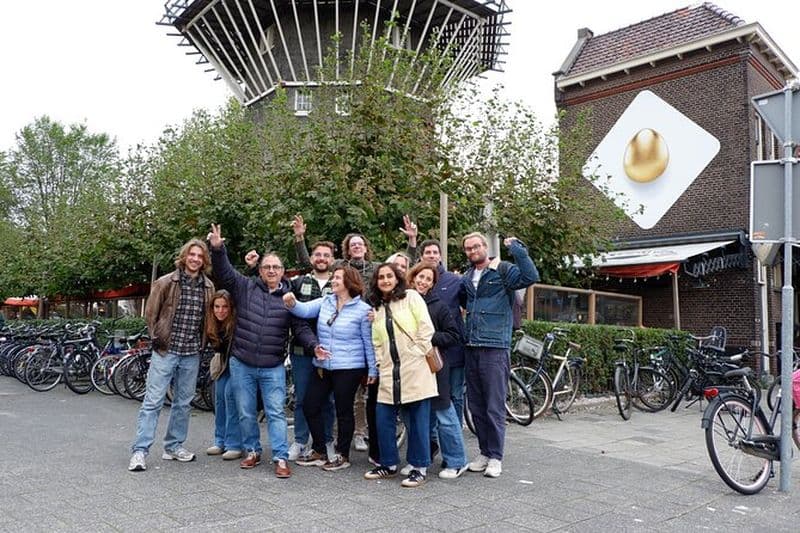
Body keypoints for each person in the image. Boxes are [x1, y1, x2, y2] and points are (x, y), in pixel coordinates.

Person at [292, 214, 417, 455]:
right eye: (353, 244)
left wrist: (412, 243)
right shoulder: (340, 268)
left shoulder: (376, 269)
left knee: (357, 401)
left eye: (360, 244)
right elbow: (310, 262)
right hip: (334, 346)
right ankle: (334, 442)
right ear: (347, 250)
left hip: (367, 329)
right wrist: (299, 238)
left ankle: (354, 441)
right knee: (342, 401)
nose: (357, 247)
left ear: (366, 248)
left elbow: (400, 270)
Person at [208, 224, 318, 479]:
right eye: (267, 267)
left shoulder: (289, 298)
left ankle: (280, 457)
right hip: (242, 363)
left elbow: (300, 327)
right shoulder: (245, 287)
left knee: (275, 412)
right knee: (246, 411)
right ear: (260, 270)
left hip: (273, 366)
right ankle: (252, 451)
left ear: (282, 271)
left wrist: (314, 346)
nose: (271, 270)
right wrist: (217, 248)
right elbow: (224, 272)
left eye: (276, 267)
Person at [128, 239, 215, 472]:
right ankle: (140, 450)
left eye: (200, 256)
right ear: (184, 256)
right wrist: (156, 338)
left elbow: (207, 319)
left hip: (191, 352)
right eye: (192, 254)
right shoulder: (165, 282)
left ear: (204, 260)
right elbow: (151, 314)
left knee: (183, 403)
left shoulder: (208, 287)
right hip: (166, 350)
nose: (195, 259)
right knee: (153, 401)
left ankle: (174, 446)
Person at [246, 243, 337, 462]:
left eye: (326, 255)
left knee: (328, 401)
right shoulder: (297, 282)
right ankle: (300, 440)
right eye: (317, 254)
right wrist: (254, 268)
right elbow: (271, 281)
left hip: (331, 352)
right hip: (300, 350)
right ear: (311, 258)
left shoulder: (338, 283)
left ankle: (326, 441)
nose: (322, 258)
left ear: (332, 260)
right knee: (301, 398)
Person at [283, 265, 377, 471]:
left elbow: (367, 341)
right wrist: (292, 302)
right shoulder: (326, 301)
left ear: (349, 282)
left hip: (349, 367)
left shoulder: (363, 310)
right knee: (310, 405)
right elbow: (303, 309)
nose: (333, 281)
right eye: (333, 277)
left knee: (344, 411)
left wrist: (372, 369)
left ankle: (342, 455)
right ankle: (319, 449)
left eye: (337, 278)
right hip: (323, 365)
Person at [461, 233, 539, 478]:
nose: (472, 251)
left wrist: (517, 248)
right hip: (471, 346)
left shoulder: (503, 270)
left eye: (476, 246)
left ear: (485, 247)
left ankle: (496, 456)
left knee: (494, 406)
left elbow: (530, 276)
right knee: (476, 406)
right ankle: (484, 452)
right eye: (468, 248)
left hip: (494, 347)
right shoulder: (466, 277)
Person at [363, 263, 437, 488]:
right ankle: (388, 464)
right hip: (389, 371)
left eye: (389, 276)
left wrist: (416, 352)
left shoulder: (411, 297)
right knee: (383, 418)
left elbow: (426, 328)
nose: (385, 280)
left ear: (397, 279)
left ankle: (419, 467)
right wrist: (380, 362)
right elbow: (376, 340)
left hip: (415, 369)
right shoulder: (378, 307)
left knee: (417, 420)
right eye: (381, 277)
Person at [405, 262, 468, 479]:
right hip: (410, 368)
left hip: (433, 367)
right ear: (413, 277)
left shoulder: (439, 306)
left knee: (444, 413)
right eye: (420, 277)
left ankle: (457, 460)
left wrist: (428, 337)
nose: (423, 282)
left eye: (428, 279)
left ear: (433, 284)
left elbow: (453, 335)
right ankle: (417, 459)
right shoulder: (402, 302)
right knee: (415, 417)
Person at [415, 239, 468, 428]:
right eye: (427, 252)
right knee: (432, 395)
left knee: (455, 394)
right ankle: (433, 436)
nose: (431, 255)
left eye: (435, 252)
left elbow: (467, 304)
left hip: (453, 349)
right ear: (421, 256)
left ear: (440, 255)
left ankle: (456, 431)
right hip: (426, 352)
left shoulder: (455, 281)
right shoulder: (415, 285)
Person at [205, 289, 243, 461]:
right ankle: (220, 440)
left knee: (230, 396)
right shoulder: (213, 324)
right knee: (219, 398)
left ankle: (234, 444)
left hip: (238, 364)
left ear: (231, 308)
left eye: (225, 307)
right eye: (217, 306)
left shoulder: (236, 323)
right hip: (223, 365)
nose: (220, 311)